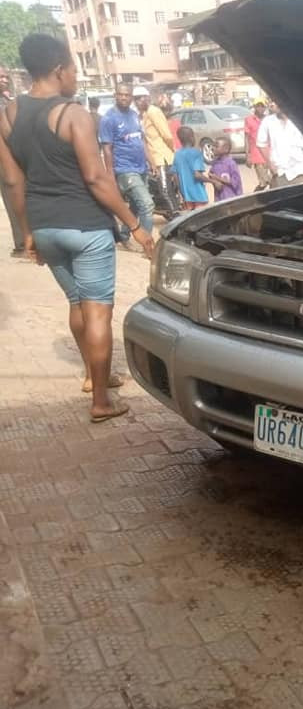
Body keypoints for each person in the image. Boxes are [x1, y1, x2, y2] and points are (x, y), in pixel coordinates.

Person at [0, 34, 153, 422]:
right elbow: (97, 178)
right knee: (98, 311)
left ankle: (92, 375)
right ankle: (101, 401)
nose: (74, 76)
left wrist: (28, 233)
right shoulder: (74, 114)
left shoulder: (7, 116)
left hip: (46, 228)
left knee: (76, 303)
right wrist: (134, 224)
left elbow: (15, 182)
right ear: (58, 70)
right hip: (86, 228)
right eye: (72, 69)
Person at [99, 82, 153, 251]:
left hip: (141, 166)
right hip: (124, 169)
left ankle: (123, 235)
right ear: (115, 95)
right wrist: (110, 175)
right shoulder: (109, 118)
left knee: (137, 205)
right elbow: (107, 149)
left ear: (131, 97)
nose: (123, 97)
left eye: (127, 95)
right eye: (120, 94)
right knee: (147, 204)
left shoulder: (134, 115)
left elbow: (141, 139)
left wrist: (151, 161)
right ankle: (148, 244)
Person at [0, 65, 26, 257]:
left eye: (5, 76)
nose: (5, 79)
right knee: (13, 194)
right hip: (4, 157)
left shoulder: (6, 100)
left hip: (12, 154)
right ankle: (22, 243)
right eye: (1, 77)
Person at [256, 105, 303, 187]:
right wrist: (270, 164)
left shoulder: (300, 120)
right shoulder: (268, 121)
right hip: (279, 172)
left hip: (299, 170)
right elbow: (261, 144)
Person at [172, 126, 210, 210]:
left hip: (186, 195)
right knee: (202, 218)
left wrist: (181, 191)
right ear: (191, 137)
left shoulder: (177, 154)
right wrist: (212, 181)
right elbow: (197, 175)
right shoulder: (196, 153)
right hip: (198, 194)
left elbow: (175, 176)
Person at [244, 99, 270, 191]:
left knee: (272, 180)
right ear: (254, 107)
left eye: (262, 106)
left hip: (268, 153)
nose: (260, 108)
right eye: (258, 106)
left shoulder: (268, 120)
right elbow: (246, 138)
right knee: (265, 181)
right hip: (257, 154)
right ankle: (255, 196)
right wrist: (248, 156)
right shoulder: (249, 120)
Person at [208, 137, 243, 202]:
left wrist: (217, 178)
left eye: (216, 146)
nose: (213, 148)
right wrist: (214, 181)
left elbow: (235, 182)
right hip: (219, 198)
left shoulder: (231, 163)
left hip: (232, 198)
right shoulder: (215, 163)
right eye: (213, 146)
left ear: (226, 149)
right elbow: (211, 175)